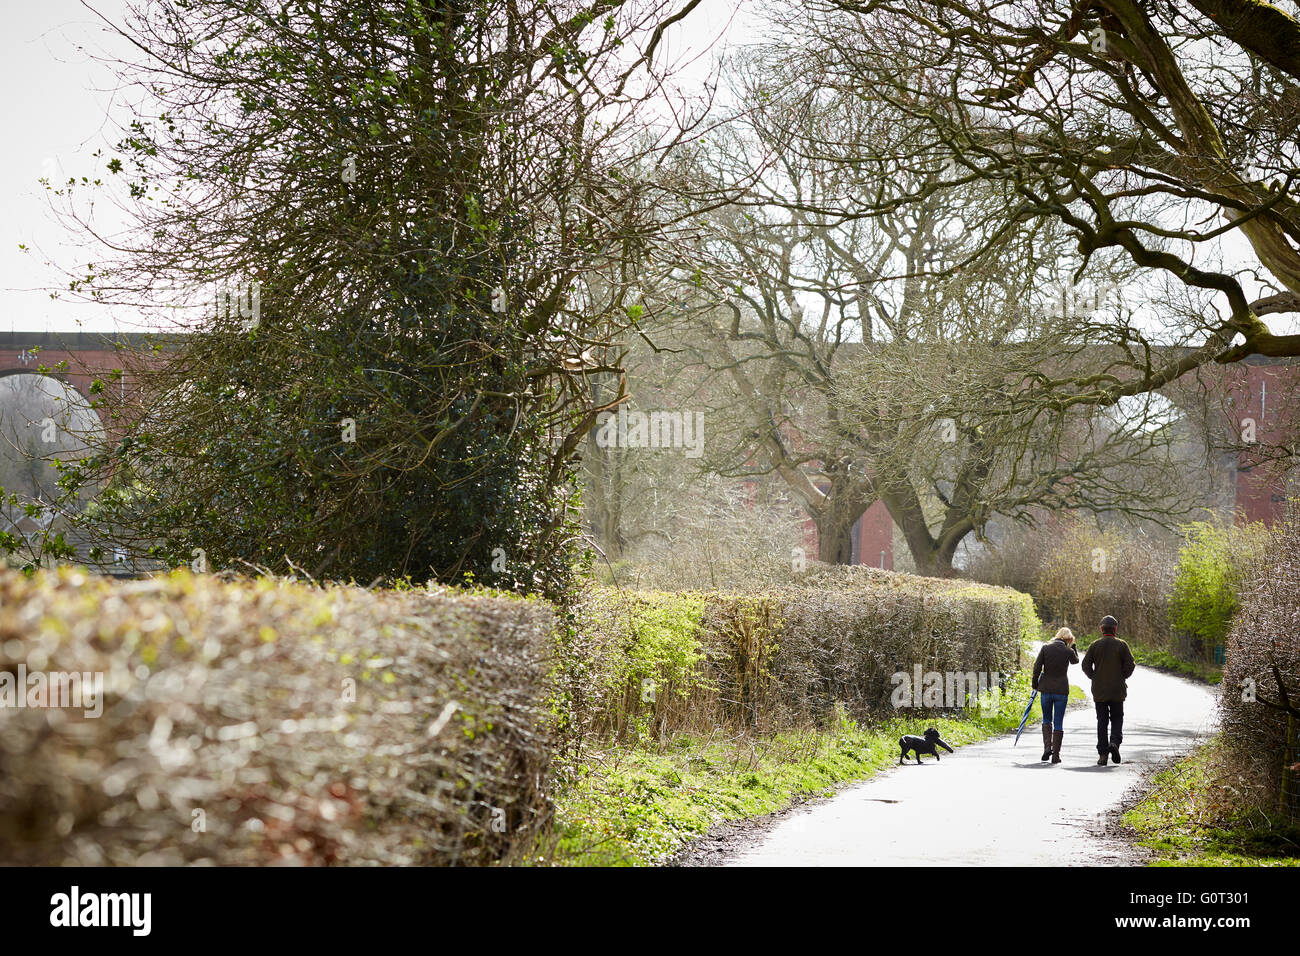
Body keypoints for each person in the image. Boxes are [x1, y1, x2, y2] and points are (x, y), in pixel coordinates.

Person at [1081, 615, 1136, 766]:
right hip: (1117, 690)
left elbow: (1085, 665)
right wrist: (1122, 676)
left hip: (1099, 691)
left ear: (1101, 629)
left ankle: (1103, 755)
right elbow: (1131, 665)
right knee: (1117, 718)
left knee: (1102, 721)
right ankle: (1115, 743)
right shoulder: (1122, 645)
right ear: (1115, 629)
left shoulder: (1094, 645)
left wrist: (1094, 677)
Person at [1032, 626, 1078, 764]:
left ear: (1057, 636)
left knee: (1046, 719)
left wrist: (1035, 684)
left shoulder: (1046, 648)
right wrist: (1073, 646)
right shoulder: (1068, 650)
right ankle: (1056, 755)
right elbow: (1075, 661)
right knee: (1058, 722)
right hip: (1061, 691)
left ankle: (1047, 748)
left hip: (1046, 689)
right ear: (1069, 639)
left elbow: (1037, 667)